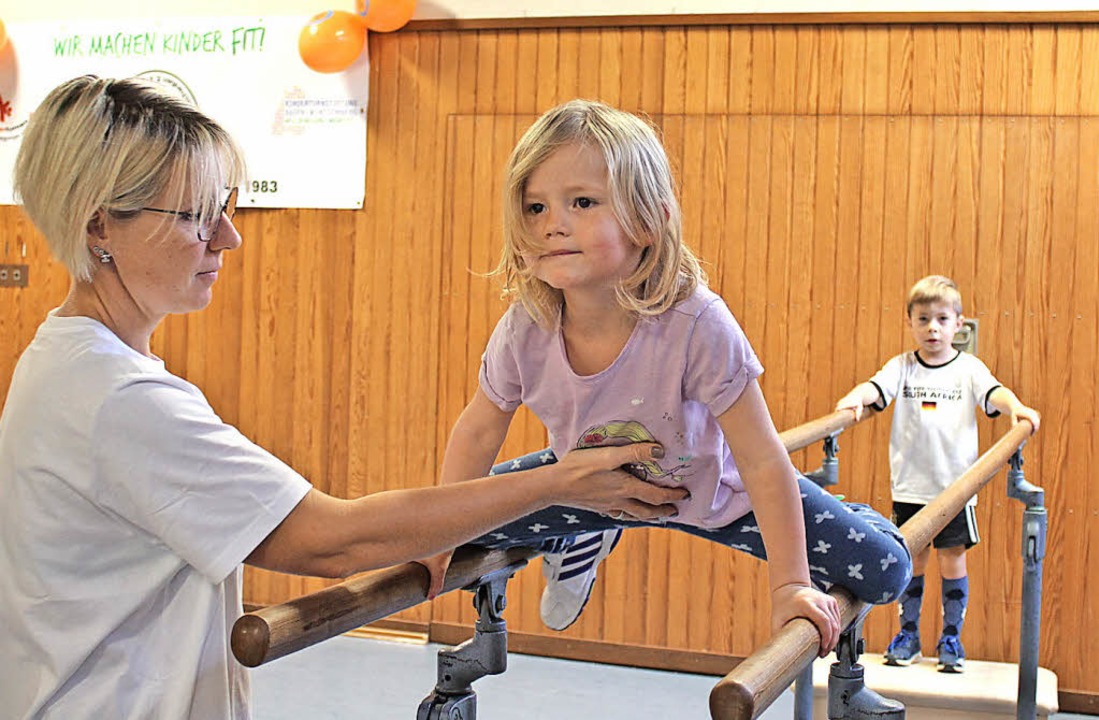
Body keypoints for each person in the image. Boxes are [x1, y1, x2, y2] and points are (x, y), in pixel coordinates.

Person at [0, 76, 689, 720]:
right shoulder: (117, 399)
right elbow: (336, 541)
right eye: (198, 216)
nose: (229, 238)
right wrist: (561, 484)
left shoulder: (68, 362)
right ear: (100, 227)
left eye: (228, 210)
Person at [419, 99, 913, 653]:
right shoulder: (526, 326)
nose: (553, 225)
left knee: (887, 572)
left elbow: (760, 457)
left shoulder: (695, 323)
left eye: (582, 202)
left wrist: (792, 582)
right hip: (582, 483)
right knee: (454, 525)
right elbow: (478, 431)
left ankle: (856, 515)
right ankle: (588, 532)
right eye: (534, 208)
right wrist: (441, 536)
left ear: (649, 219)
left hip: (716, 494)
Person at [835, 274, 1040, 673]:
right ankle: (908, 634)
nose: (932, 327)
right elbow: (875, 389)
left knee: (952, 562)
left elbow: (996, 394)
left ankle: (951, 639)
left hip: (954, 492)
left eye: (942, 319)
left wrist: (1016, 407)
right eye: (924, 318)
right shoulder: (903, 367)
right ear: (910, 322)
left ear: (958, 325)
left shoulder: (969, 369)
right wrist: (852, 400)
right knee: (911, 561)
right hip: (910, 487)